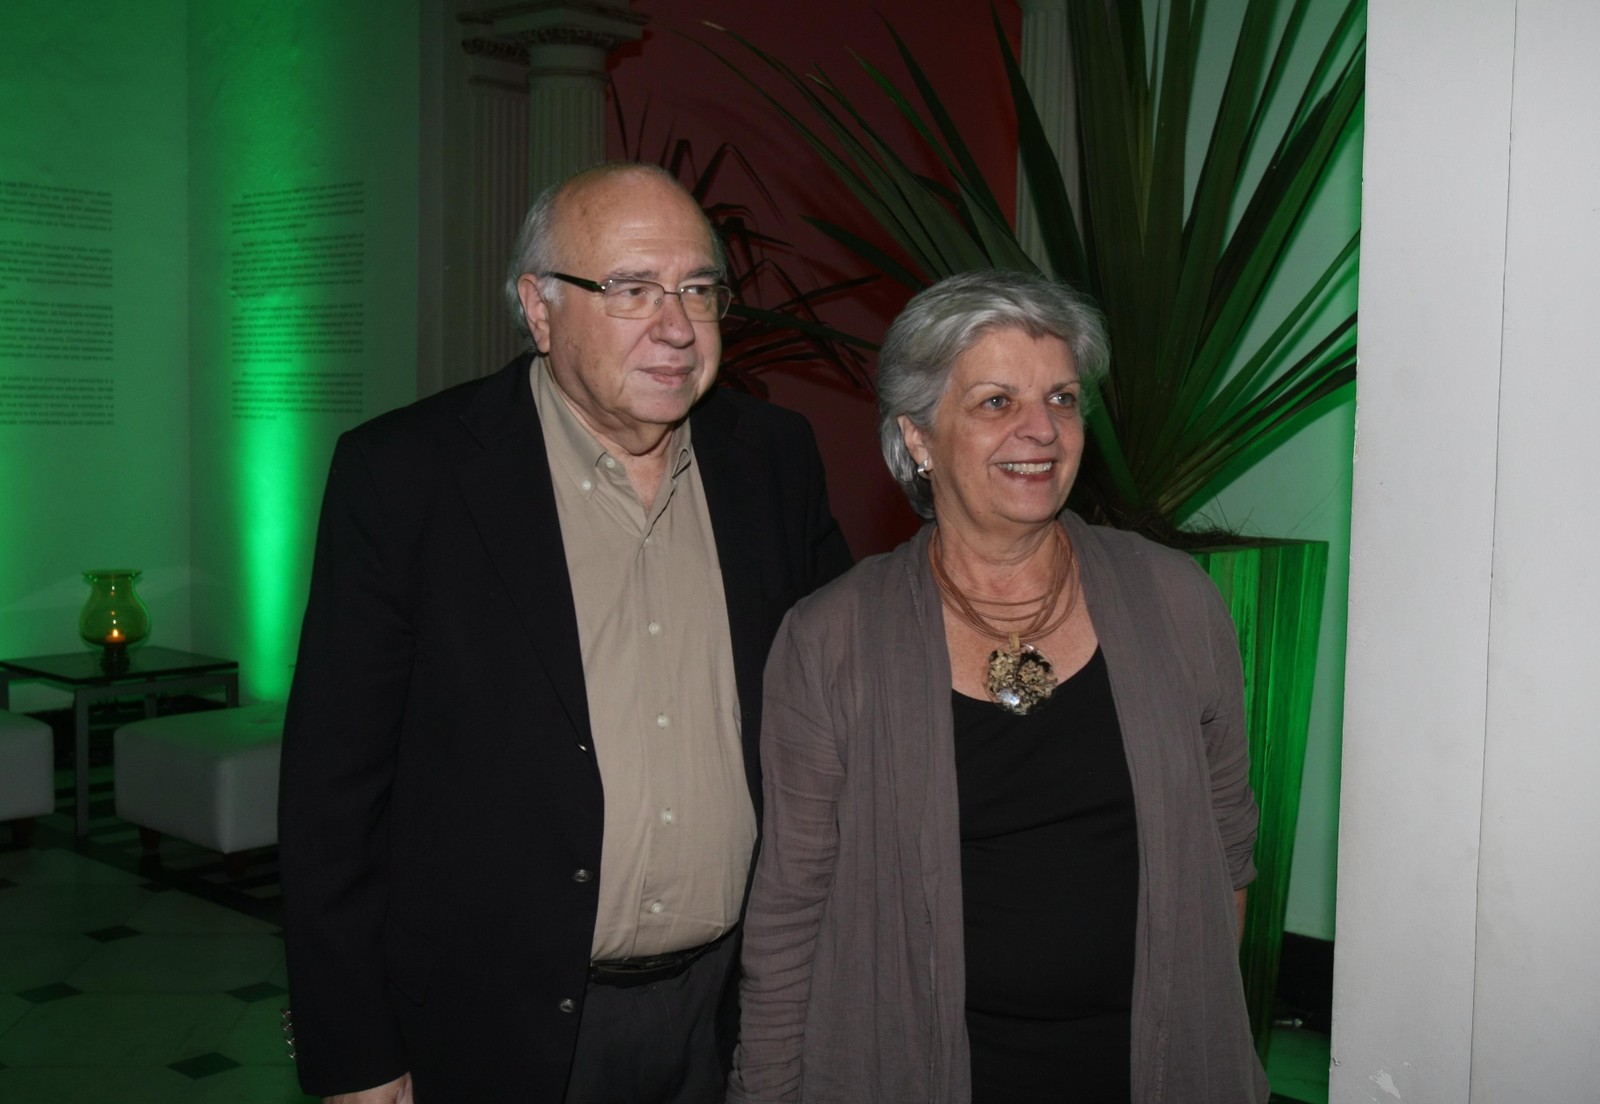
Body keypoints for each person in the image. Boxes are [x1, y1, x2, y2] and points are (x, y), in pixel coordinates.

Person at [279, 162, 851, 1103]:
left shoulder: (772, 460)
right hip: (494, 1025)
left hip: (734, 1013)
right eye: (631, 289)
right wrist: (357, 1049)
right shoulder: (407, 477)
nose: (676, 326)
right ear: (539, 310)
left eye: (699, 290)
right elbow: (330, 797)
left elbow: (835, 701)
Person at [727, 269, 1266, 1103]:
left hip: (1146, 1067)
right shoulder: (831, 637)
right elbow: (789, 912)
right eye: (995, 403)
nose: (1040, 431)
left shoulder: (1175, 599)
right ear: (917, 438)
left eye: (1061, 399)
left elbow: (1227, 846)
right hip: (920, 1067)